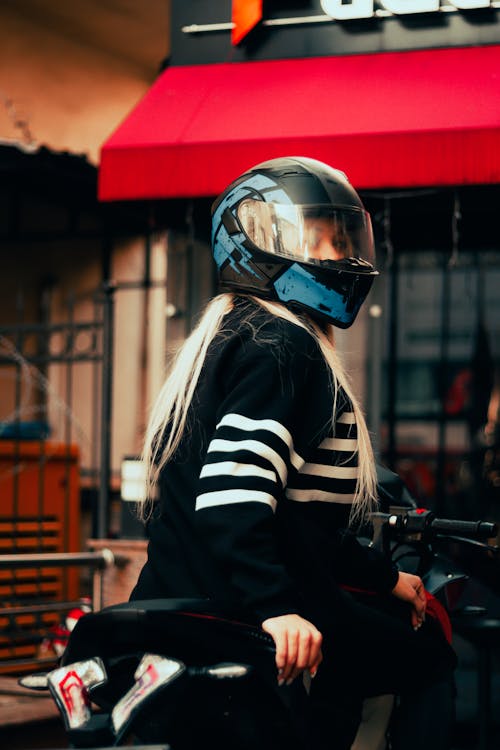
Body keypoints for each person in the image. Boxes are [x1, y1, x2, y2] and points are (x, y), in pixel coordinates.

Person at [130, 157, 456, 749]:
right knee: (429, 659)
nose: (340, 256)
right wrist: (276, 608)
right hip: (238, 608)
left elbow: (298, 524)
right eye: (322, 239)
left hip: (183, 596)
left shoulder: (233, 335)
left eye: (343, 237)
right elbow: (233, 498)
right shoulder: (285, 344)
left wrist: (386, 579)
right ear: (254, 242)